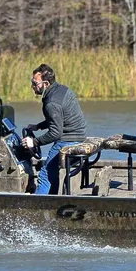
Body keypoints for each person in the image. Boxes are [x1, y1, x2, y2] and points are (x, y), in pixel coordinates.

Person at [23, 64, 87, 195]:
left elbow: (56, 133)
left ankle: (37, 209)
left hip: (70, 139)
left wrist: (33, 142)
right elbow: (59, 119)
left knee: (45, 173)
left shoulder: (51, 103)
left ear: (45, 83)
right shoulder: (61, 89)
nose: (32, 86)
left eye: (35, 83)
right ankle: (51, 200)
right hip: (78, 134)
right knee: (51, 170)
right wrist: (38, 126)